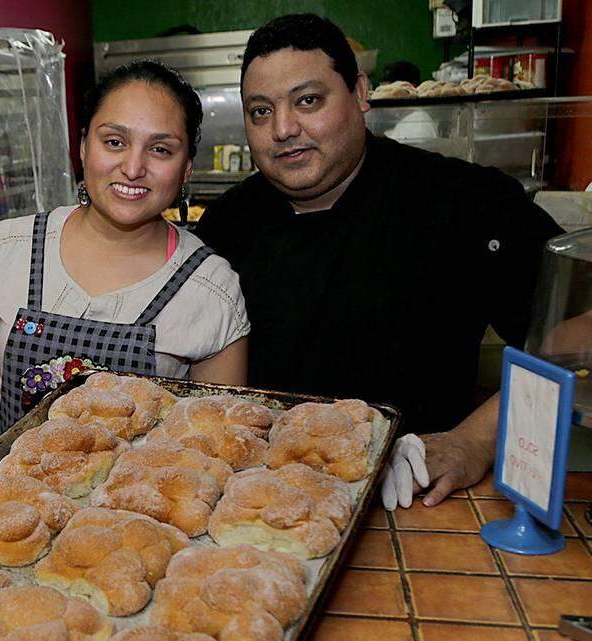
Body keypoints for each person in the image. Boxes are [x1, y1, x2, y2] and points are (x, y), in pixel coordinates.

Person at [193, 14, 563, 509]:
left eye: (308, 101)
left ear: (361, 94)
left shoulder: (464, 201)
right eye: (261, 111)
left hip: (417, 497)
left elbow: (582, 331)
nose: (283, 129)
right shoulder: (228, 222)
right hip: (261, 499)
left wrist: (476, 439)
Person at [0, 60, 250, 437]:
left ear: (186, 169)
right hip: (12, 493)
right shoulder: (12, 249)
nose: (133, 167)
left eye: (160, 149)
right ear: (82, 147)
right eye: (114, 142)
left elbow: (213, 442)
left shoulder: (211, 290)